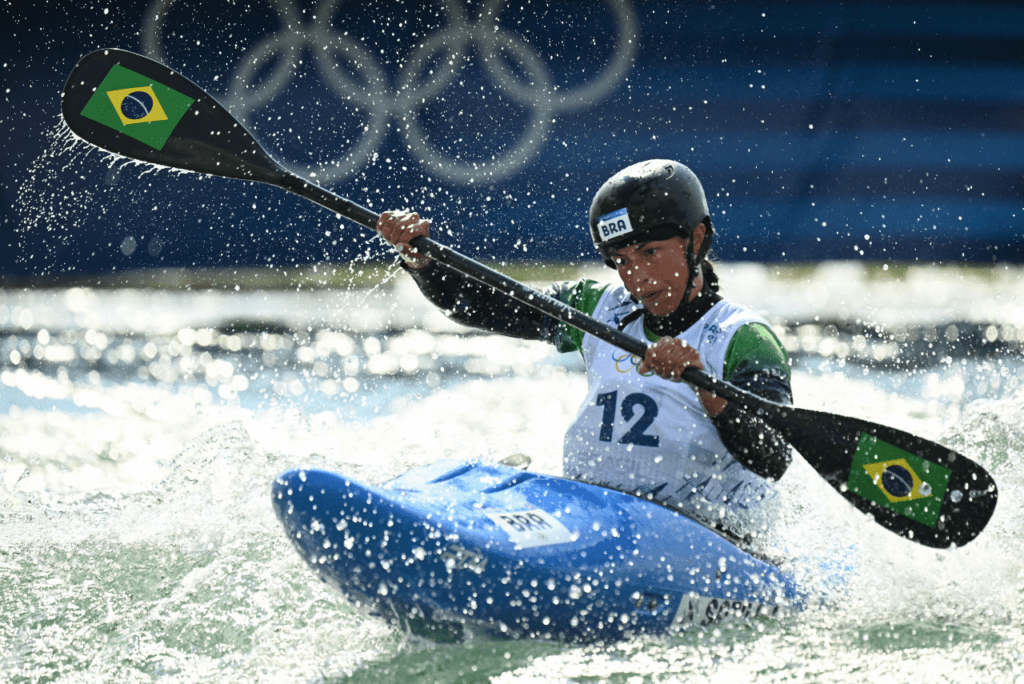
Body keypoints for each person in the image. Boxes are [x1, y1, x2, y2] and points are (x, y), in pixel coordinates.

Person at [375, 160, 792, 546]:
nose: (638, 278)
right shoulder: (599, 308)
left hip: (708, 541)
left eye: (650, 253)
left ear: (696, 239)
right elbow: (484, 305)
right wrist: (421, 261)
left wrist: (706, 386)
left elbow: (773, 457)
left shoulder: (744, 337)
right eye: (622, 260)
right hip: (598, 521)